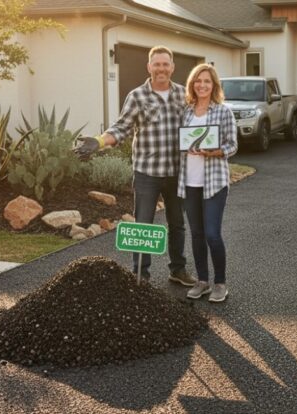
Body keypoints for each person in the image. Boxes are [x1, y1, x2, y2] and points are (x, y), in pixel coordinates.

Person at [75, 45, 196, 286]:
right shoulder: (137, 96)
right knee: (143, 226)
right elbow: (121, 128)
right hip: (147, 174)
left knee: (178, 225)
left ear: (172, 67)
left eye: (165, 64)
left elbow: (196, 127)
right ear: (149, 67)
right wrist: (99, 142)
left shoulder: (183, 95)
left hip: (176, 172)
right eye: (157, 64)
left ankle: (178, 270)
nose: (161, 68)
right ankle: (141, 275)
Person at [179, 63, 238, 303]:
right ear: (192, 84)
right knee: (197, 234)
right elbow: (182, 142)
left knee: (212, 234)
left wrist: (215, 152)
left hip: (214, 182)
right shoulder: (186, 112)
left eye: (207, 81)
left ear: (214, 85)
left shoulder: (223, 112)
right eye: (198, 81)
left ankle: (220, 283)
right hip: (190, 182)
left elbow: (233, 145)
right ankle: (202, 281)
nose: (202, 85)